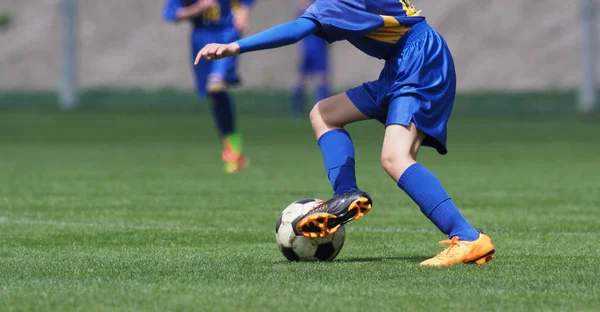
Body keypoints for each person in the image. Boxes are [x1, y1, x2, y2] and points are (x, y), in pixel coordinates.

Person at [194, 0, 495, 267]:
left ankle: (467, 237)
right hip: (403, 63)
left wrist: (236, 46)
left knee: (395, 157)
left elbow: (297, 29)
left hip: (419, 62)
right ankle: (346, 195)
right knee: (323, 114)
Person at [162, 0, 253, 173]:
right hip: (202, 37)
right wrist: (198, 8)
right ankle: (234, 149)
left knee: (216, 84)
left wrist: (243, 12)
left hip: (228, 33)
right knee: (213, 94)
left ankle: (233, 152)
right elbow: (172, 14)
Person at [291, 0, 330, 118]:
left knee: (302, 79)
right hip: (317, 50)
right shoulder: (319, 13)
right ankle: (321, 109)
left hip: (308, 50)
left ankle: (297, 110)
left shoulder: (304, 12)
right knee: (322, 79)